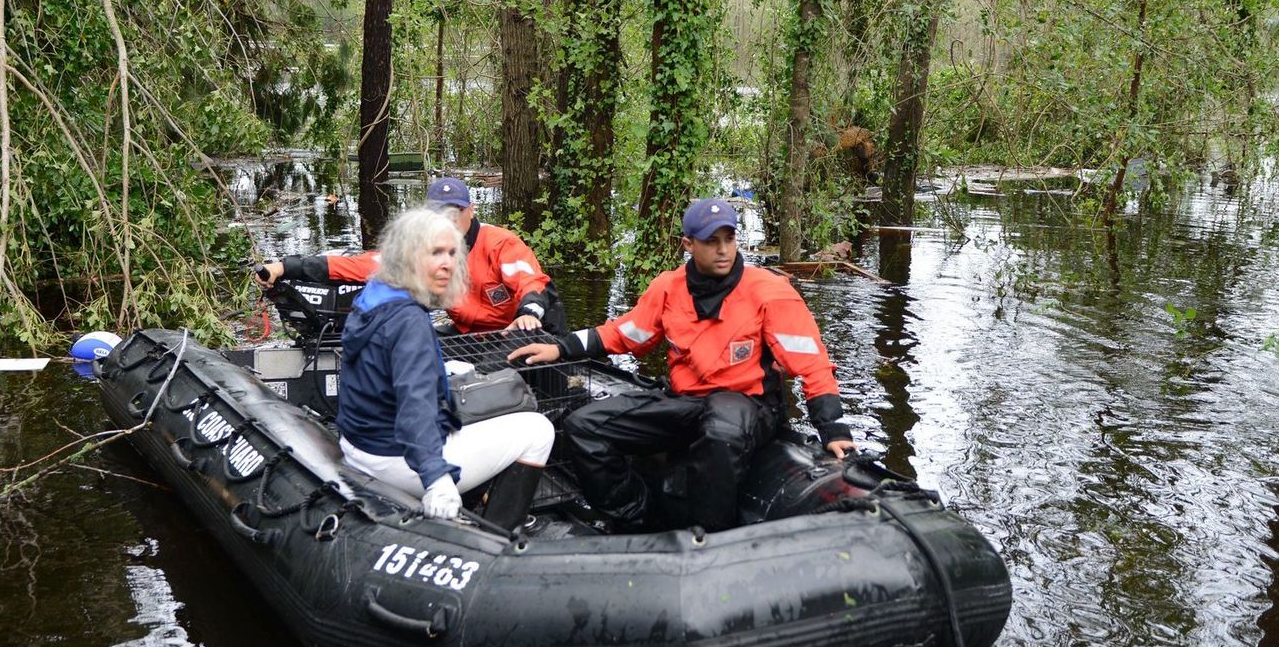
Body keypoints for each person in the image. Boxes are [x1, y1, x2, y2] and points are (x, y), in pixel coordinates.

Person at [508, 198, 856, 533]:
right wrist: (562, 349)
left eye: (729, 239)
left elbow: (811, 362)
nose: (723, 250)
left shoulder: (768, 291)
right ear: (688, 244)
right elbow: (625, 333)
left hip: (749, 404)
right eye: (711, 241)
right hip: (688, 401)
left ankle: (710, 536)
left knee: (722, 427)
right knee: (584, 426)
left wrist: (834, 430)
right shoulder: (668, 288)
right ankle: (638, 519)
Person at [335, 207, 553, 528]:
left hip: (358, 443)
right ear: (407, 256)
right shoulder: (409, 322)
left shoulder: (377, 294)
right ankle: (498, 533)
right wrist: (436, 479)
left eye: (452, 253)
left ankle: (476, 498)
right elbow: (415, 405)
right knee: (538, 430)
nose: (448, 264)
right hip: (393, 459)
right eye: (436, 252)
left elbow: (387, 372)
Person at [256, 176, 568, 336]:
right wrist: (285, 267)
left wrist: (529, 313)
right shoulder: (423, 249)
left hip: (524, 328)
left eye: (455, 212)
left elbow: (532, 282)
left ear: (471, 211)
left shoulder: (500, 243)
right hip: (471, 335)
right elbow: (361, 265)